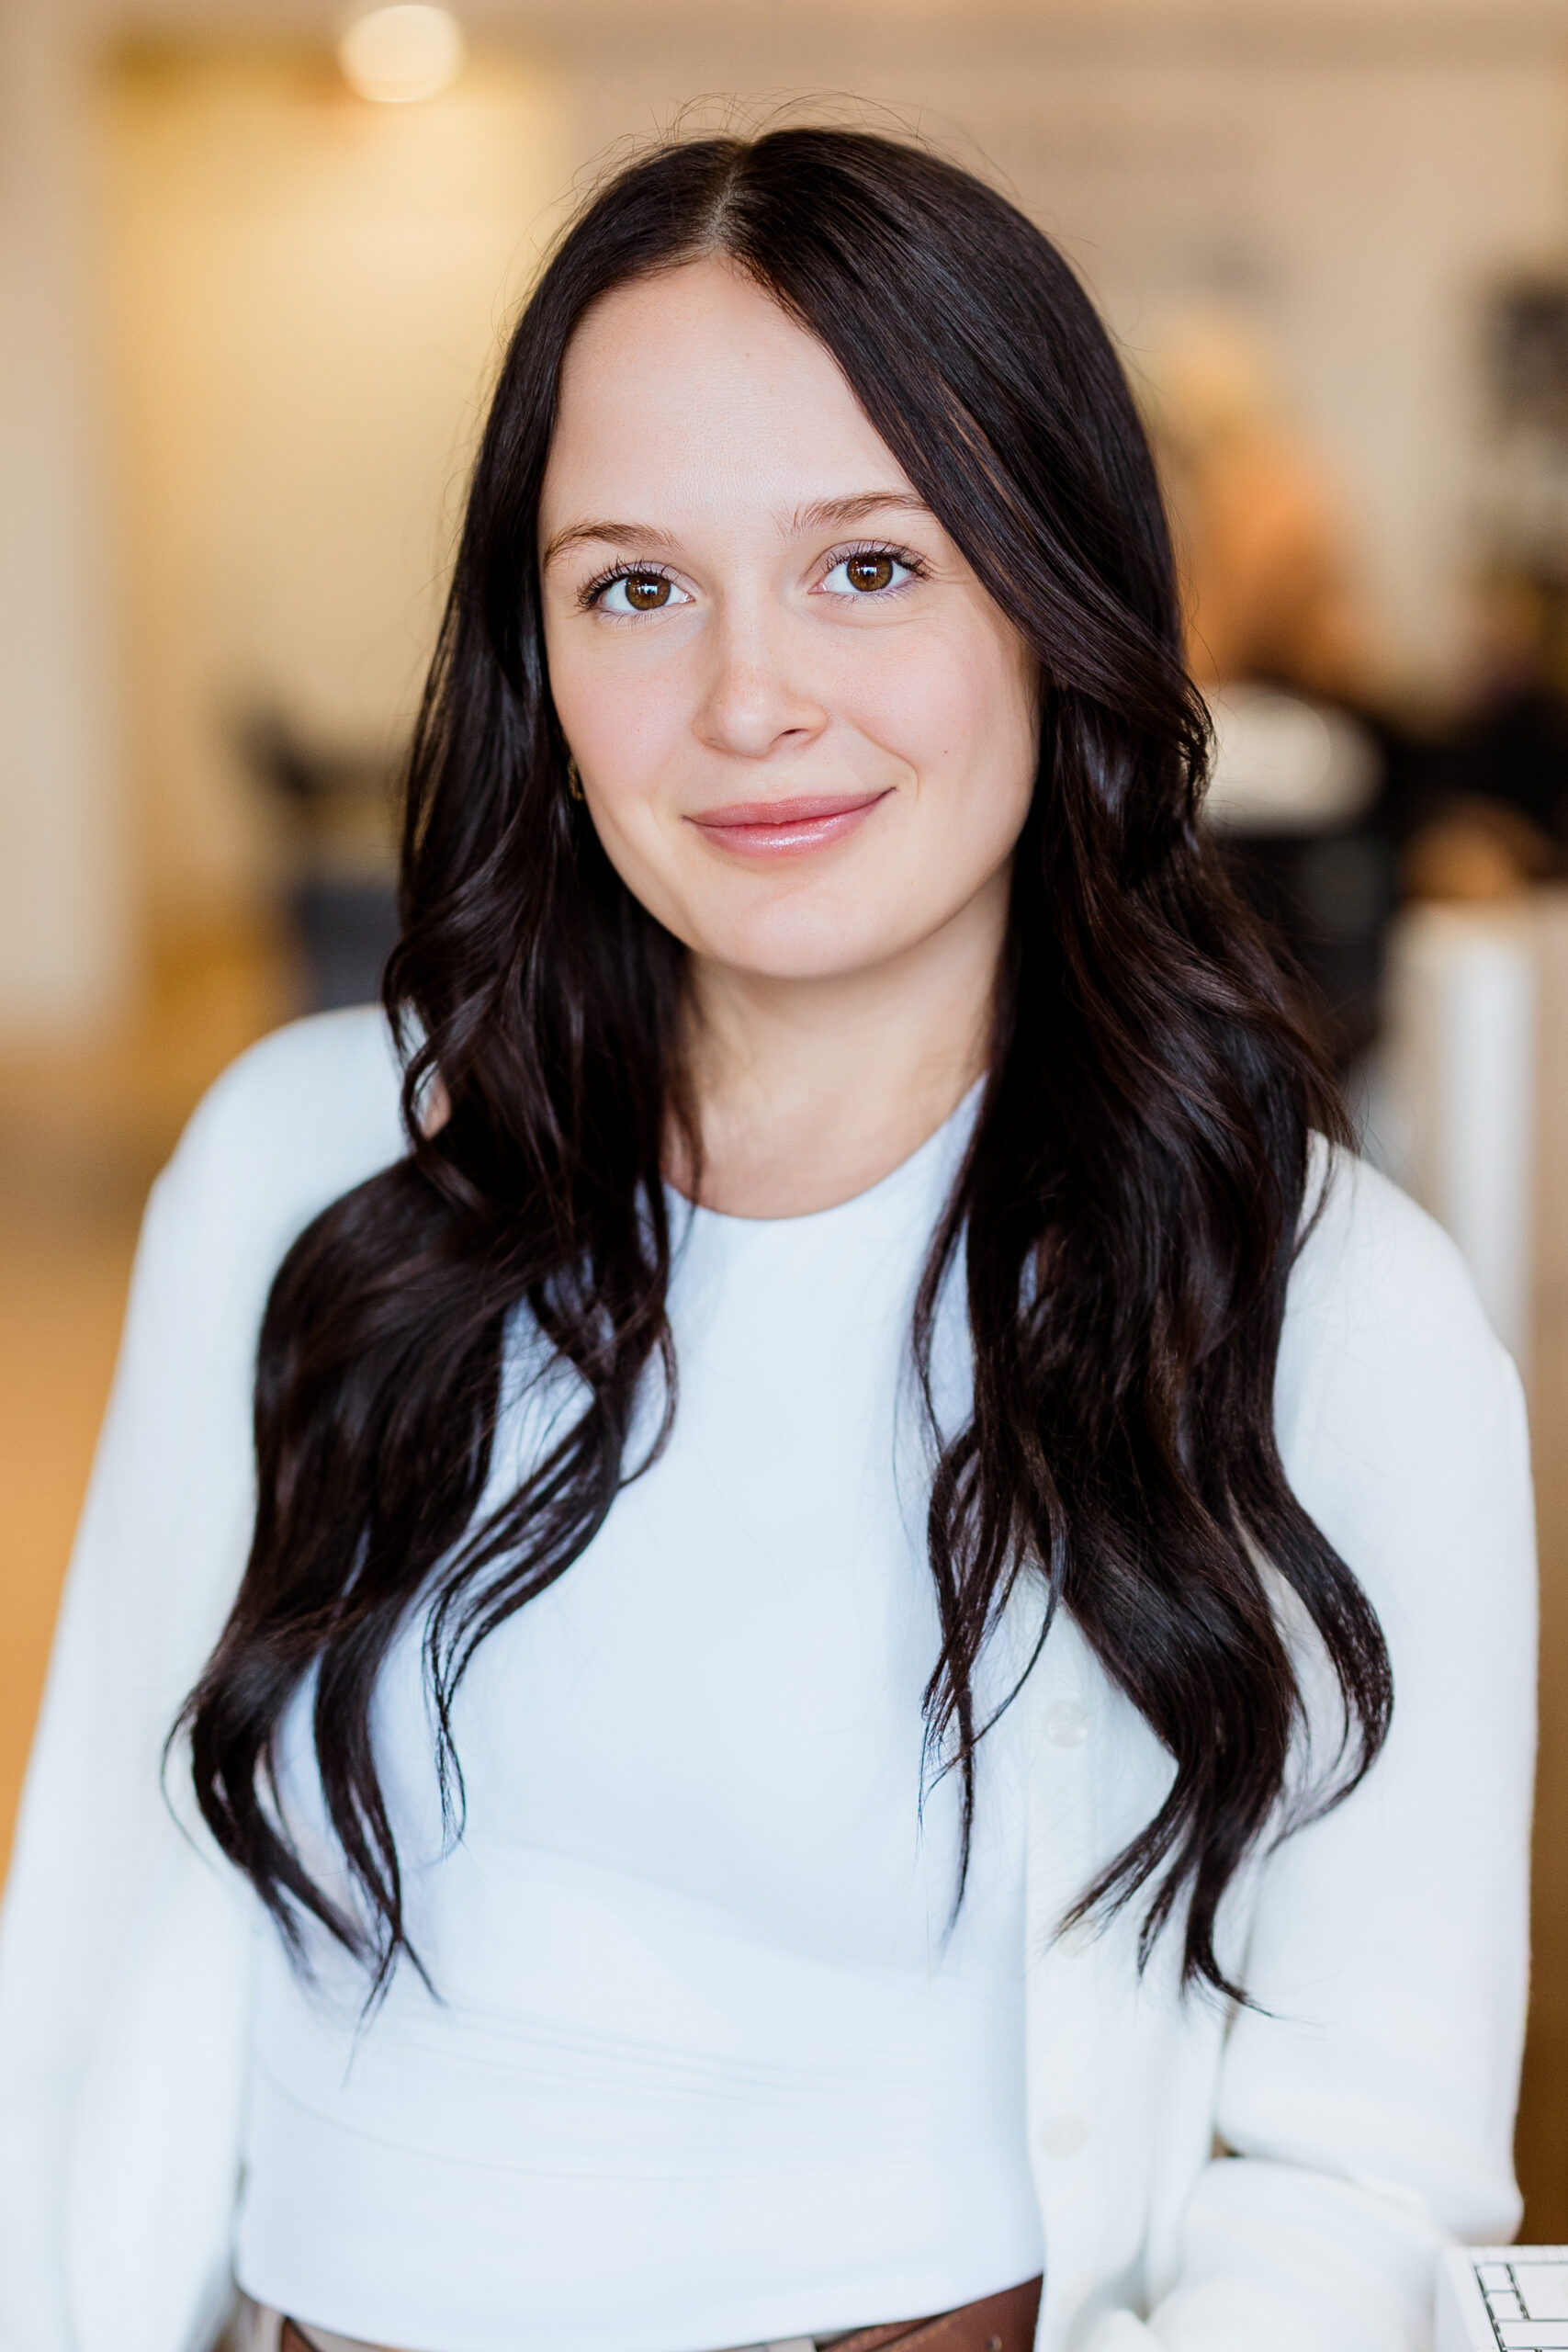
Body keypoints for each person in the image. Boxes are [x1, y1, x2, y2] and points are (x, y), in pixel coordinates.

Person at [0, 130, 1535, 2352]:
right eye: (634, 584)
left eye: (869, 568)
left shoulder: (1323, 1312)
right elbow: (94, 1983)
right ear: (533, 642)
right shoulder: (301, 1173)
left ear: (1054, 588)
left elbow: (1361, 2174)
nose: (745, 702)